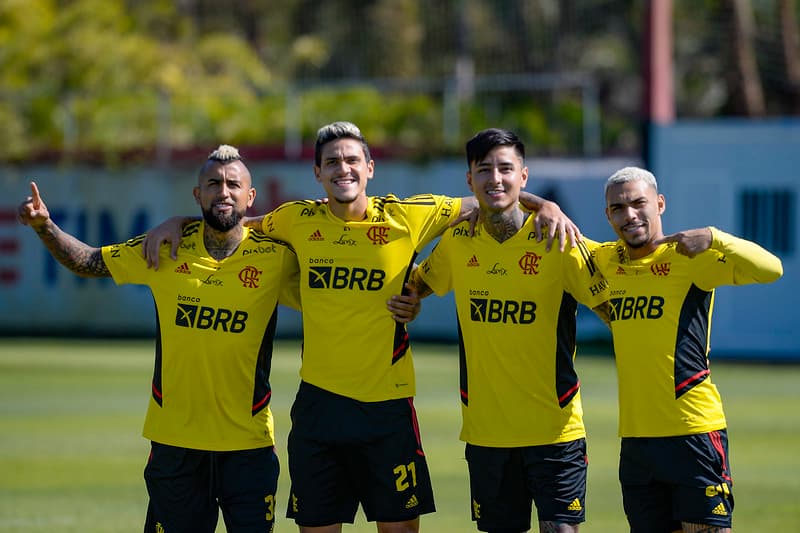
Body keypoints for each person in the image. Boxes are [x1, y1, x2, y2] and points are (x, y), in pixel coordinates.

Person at [142, 121, 581, 533]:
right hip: (319, 408)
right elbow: (234, 222)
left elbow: (493, 196)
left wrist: (544, 204)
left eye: (351, 159)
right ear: (317, 172)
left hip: (387, 409)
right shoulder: (296, 219)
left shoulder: (409, 215)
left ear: (370, 168)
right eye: (331, 161)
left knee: (399, 527)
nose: (342, 168)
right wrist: (179, 221)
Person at [17, 145, 303, 533]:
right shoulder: (164, 248)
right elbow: (88, 260)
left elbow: (334, 282)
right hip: (175, 444)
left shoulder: (277, 258)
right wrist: (44, 226)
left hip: (248, 446)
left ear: (250, 196)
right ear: (197, 194)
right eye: (213, 184)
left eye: (234, 184)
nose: (224, 192)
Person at [406, 128, 609, 533]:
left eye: (505, 169)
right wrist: (407, 299)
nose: (495, 179)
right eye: (484, 170)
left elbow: (613, 310)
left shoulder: (559, 239)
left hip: (556, 429)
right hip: (487, 432)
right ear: (469, 180)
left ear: (524, 176)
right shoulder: (457, 242)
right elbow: (419, 284)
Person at [593, 166, 783, 533]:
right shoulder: (605, 261)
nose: (629, 215)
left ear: (659, 204)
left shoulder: (691, 259)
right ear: (608, 215)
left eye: (638, 203)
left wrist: (715, 237)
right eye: (618, 208)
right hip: (636, 440)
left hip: (692, 431)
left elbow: (771, 269)